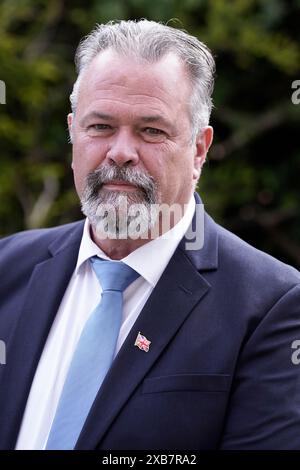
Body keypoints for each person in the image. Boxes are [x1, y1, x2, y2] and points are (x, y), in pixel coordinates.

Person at [0, 19, 300, 451]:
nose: (120, 152)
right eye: (100, 127)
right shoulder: (8, 267)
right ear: (72, 132)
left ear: (199, 148)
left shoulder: (271, 306)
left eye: (151, 130)